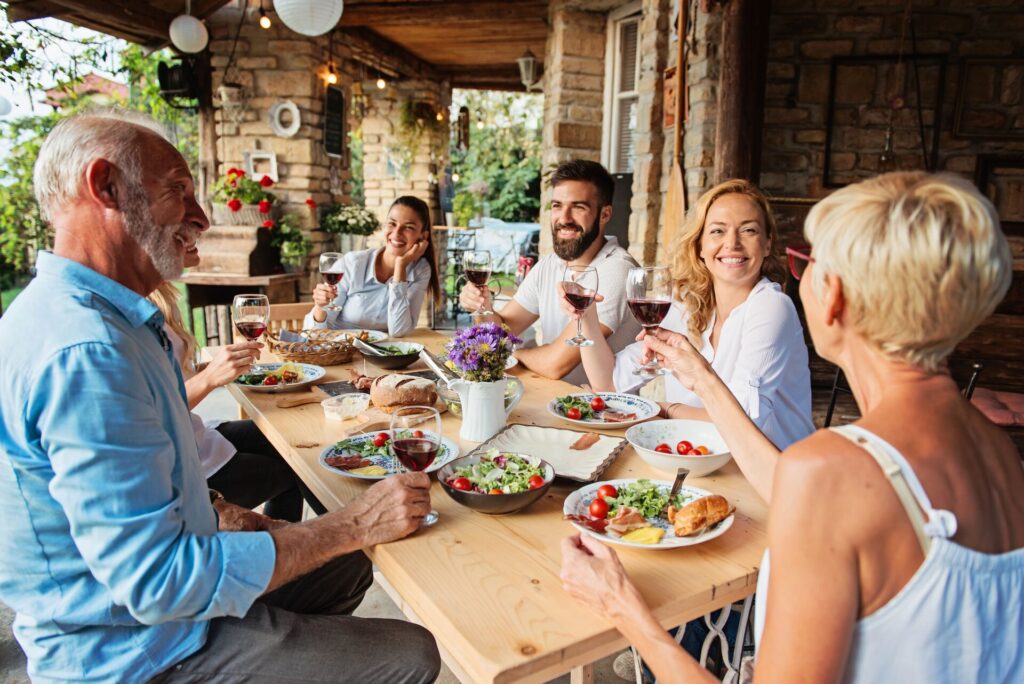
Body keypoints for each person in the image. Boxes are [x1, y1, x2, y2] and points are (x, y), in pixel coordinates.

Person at [0, 109, 440, 683]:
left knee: (348, 563)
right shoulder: (86, 352)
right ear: (105, 186)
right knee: (412, 653)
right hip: (133, 649)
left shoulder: (114, 320)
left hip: (159, 608)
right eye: (178, 191)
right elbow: (160, 585)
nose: (201, 217)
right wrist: (349, 523)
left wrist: (225, 514)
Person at [561, 171, 1024, 682]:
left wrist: (625, 610)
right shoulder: (999, 451)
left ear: (837, 297)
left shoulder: (831, 469)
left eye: (811, 265)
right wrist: (703, 378)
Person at [561, 179, 814, 452]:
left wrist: (666, 410)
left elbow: (742, 420)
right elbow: (609, 382)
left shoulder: (771, 307)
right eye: (717, 231)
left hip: (772, 475)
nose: (732, 243)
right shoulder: (686, 306)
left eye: (749, 230)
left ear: (766, 244)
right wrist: (585, 315)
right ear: (700, 247)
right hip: (699, 459)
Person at [150, 278, 324, 522]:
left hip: (196, 435)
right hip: (184, 466)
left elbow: (171, 379)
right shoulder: (128, 319)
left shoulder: (155, 294)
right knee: (292, 469)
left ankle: (339, 520)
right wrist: (210, 377)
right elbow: (150, 413)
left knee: (290, 437)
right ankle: (331, 536)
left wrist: (217, 367)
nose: (197, 239)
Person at [458, 159, 641, 384]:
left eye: (578, 207)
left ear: (605, 215)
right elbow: (502, 332)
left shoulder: (617, 270)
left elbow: (555, 365)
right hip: (547, 399)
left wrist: (513, 354)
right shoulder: (551, 264)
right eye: (557, 206)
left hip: (599, 411)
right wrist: (481, 307)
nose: (564, 218)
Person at [305, 195, 439, 337]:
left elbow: (399, 331)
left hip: (379, 355)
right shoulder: (352, 264)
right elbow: (314, 334)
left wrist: (400, 266)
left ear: (423, 236)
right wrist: (321, 306)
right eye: (392, 223)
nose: (396, 233)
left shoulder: (420, 270)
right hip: (338, 350)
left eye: (408, 227)